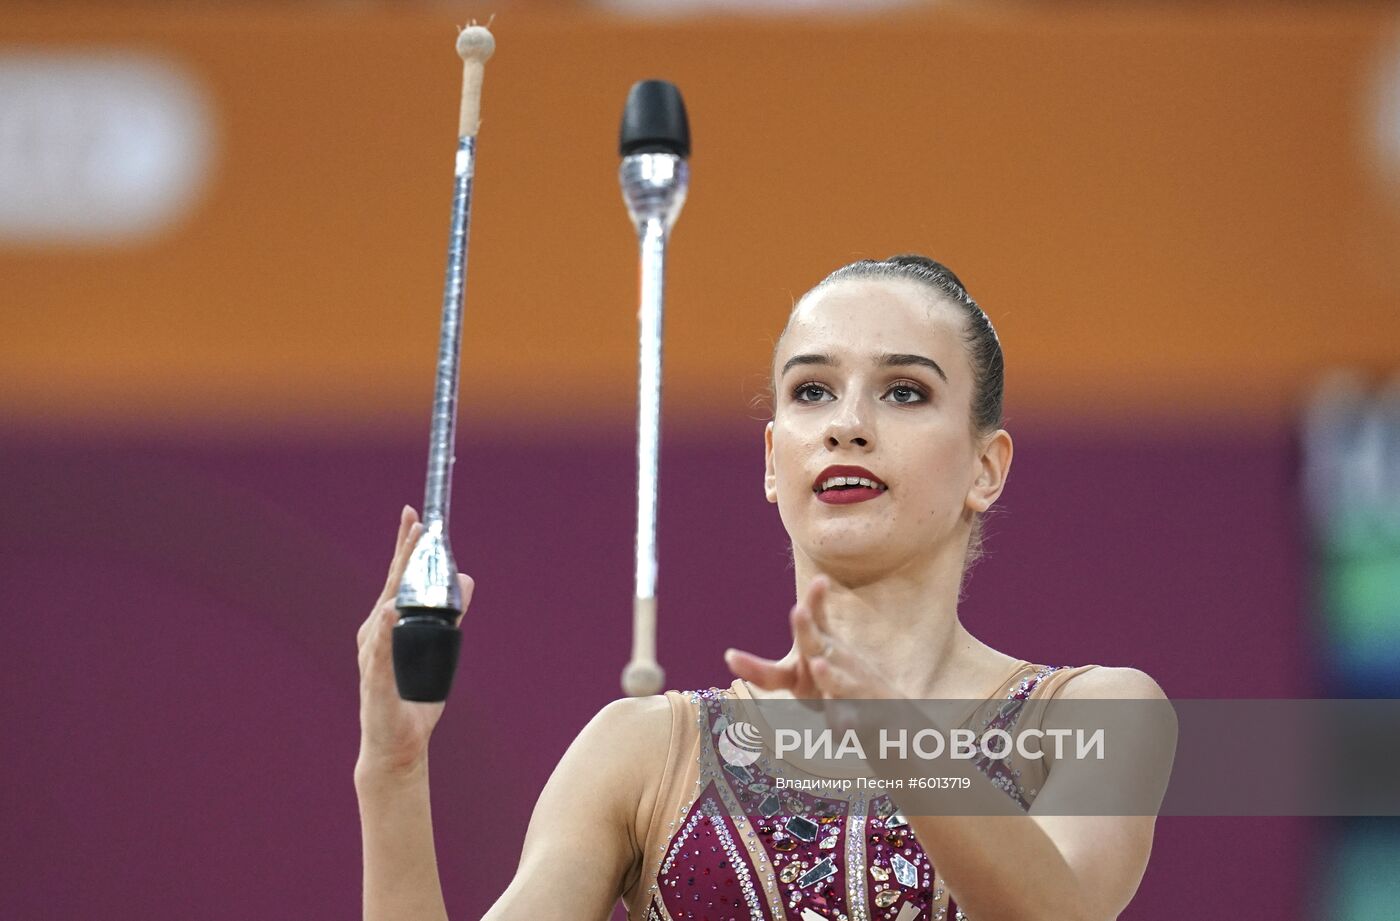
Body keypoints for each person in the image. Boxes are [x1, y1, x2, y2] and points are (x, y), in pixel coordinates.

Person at [355, 254, 1175, 921]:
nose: (846, 423)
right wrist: (391, 773)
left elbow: (1056, 913)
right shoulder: (642, 752)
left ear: (986, 468)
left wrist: (885, 723)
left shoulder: (1095, 714)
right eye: (812, 389)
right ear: (773, 462)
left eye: (905, 391)